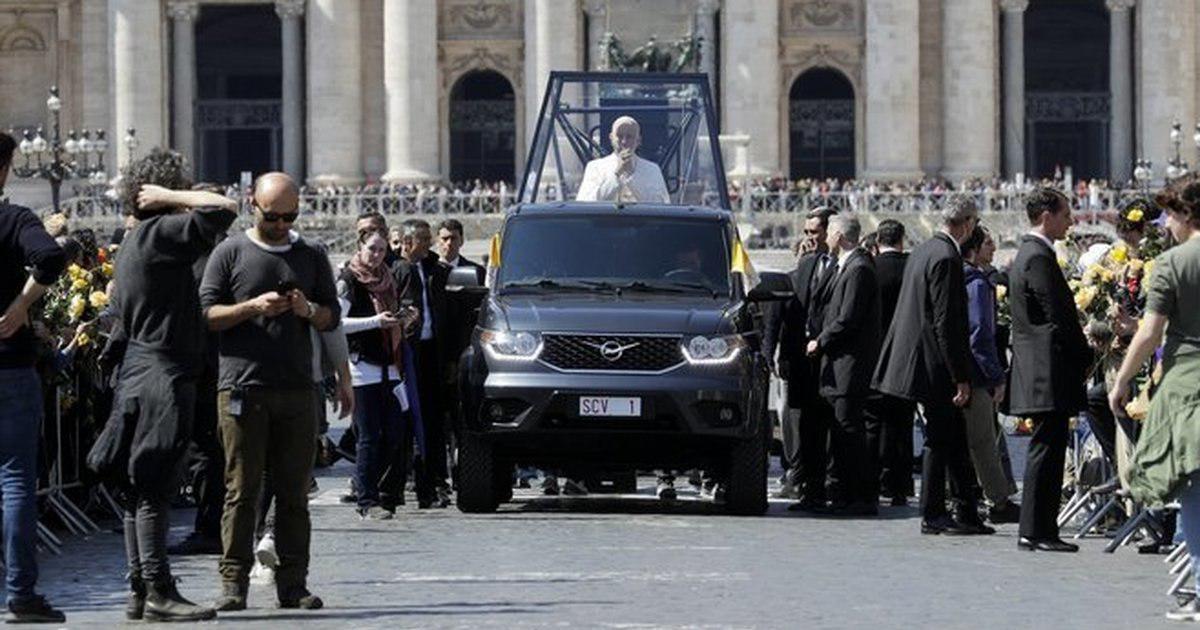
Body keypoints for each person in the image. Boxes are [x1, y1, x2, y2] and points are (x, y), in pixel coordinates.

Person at [93, 157, 237, 621]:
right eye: (176, 187)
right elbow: (223, 208)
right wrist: (173, 197)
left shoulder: (133, 241)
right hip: (163, 373)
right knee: (155, 485)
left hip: (138, 372)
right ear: (156, 193)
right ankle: (159, 590)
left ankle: (139, 589)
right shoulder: (159, 234)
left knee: (139, 489)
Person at [200, 172, 339, 611]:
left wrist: (307, 309)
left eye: (290, 216)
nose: (281, 224)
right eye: (273, 216)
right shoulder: (229, 252)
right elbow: (206, 315)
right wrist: (250, 308)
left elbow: (331, 317)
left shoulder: (311, 255)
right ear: (251, 205)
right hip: (242, 387)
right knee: (241, 490)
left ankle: (293, 585)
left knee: (294, 492)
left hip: (297, 389)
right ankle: (232, 584)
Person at [874, 196, 993, 536]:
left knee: (953, 436)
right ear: (968, 224)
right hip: (933, 363)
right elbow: (946, 322)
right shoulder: (946, 257)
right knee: (941, 438)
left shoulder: (924, 250)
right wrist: (961, 376)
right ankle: (933, 512)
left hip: (916, 357)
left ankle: (966, 511)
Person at [1110, 181, 1200, 621]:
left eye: (1170, 215)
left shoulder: (1172, 263)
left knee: (1195, 490)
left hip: (1189, 388)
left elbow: (1149, 333)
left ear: (1186, 216)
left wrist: (1121, 381)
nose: (1164, 224)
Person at [0, 131, 68, 624]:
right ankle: (20, 593)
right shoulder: (14, 219)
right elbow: (50, 256)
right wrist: (21, 306)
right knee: (16, 480)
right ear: (5, 170)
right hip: (9, 367)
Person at [1008, 187, 1093, 552]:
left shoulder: (1027, 254)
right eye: (1065, 214)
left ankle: (1038, 528)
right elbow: (1059, 315)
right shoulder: (1039, 258)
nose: (1071, 221)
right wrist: (1085, 353)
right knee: (1047, 448)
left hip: (1038, 367)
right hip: (1048, 368)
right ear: (1047, 215)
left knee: (1046, 446)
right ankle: (1037, 530)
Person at [338, 230, 419, 519]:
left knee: (395, 434)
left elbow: (395, 313)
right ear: (360, 247)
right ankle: (366, 499)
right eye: (372, 249)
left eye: (382, 250)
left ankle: (387, 492)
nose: (376, 256)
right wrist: (375, 322)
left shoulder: (388, 279)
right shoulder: (349, 280)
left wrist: (403, 319)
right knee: (369, 437)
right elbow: (337, 322)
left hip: (391, 367)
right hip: (362, 368)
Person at [806, 213, 880, 515]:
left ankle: (860, 496)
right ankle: (845, 493)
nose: (827, 239)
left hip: (850, 365)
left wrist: (820, 341)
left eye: (831, 233)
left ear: (839, 235)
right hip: (840, 365)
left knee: (849, 432)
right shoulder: (847, 266)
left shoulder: (859, 268)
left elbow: (847, 318)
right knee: (842, 432)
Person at [763, 207, 837, 508]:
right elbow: (777, 318)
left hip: (827, 361)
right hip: (799, 362)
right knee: (800, 424)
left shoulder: (841, 269)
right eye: (806, 233)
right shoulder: (797, 273)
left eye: (814, 233)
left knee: (827, 427)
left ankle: (821, 482)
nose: (809, 238)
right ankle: (804, 480)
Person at [961, 225, 1021, 524]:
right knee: (984, 440)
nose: (994, 248)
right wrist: (996, 376)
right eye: (988, 243)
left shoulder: (953, 277)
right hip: (978, 374)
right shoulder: (977, 283)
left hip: (959, 371)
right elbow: (980, 334)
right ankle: (998, 499)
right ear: (974, 247)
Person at [392, 219, 453, 508]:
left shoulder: (435, 270)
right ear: (406, 243)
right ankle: (412, 483)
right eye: (423, 240)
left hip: (434, 351)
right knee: (409, 420)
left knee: (433, 420)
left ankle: (435, 482)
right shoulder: (397, 270)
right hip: (408, 353)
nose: (429, 244)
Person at [862, 218, 915, 505]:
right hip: (904, 356)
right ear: (902, 240)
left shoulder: (869, 270)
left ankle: (871, 481)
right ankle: (899, 486)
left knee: (872, 423)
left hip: (874, 355)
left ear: (878, 240)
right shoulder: (911, 270)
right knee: (902, 425)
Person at [576, 116, 669, 203]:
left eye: (629, 137)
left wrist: (632, 178)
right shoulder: (595, 168)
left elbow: (660, 205)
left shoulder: (652, 170)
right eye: (619, 136)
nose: (624, 142)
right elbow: (587, 202)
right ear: (611, 138)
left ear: (638, 140)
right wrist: (617, 174)